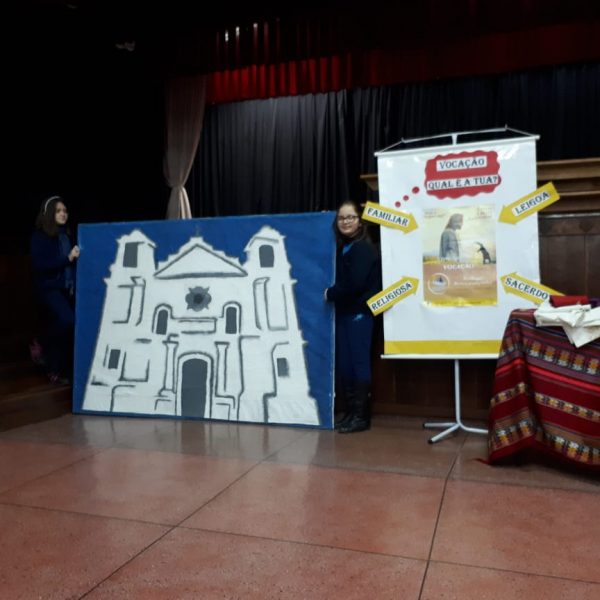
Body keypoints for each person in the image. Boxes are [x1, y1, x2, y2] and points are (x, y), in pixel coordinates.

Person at [325, 200, 381, 433]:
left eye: (350, 217)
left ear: (360, 221)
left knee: (358, 364)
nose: (345, 221)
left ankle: (361, 418)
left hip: (360, 315)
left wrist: (330, 293)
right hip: (345, 314)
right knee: (346, 365)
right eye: (341, 218)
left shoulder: (362, 249)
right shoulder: (344, 248)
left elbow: (355, 284)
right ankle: (350, 413)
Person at [30, 196, 80, 384]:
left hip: (67, 289)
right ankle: (43, 344)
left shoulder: (67, 235)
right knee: (68, 320)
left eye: (65, 211)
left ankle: (55, 369)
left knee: (68, 328)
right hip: (49, 288)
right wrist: (67, 259)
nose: (63, 214)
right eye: (58, 211)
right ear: (50, 212)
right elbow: (40, 265)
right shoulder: (40, 236)